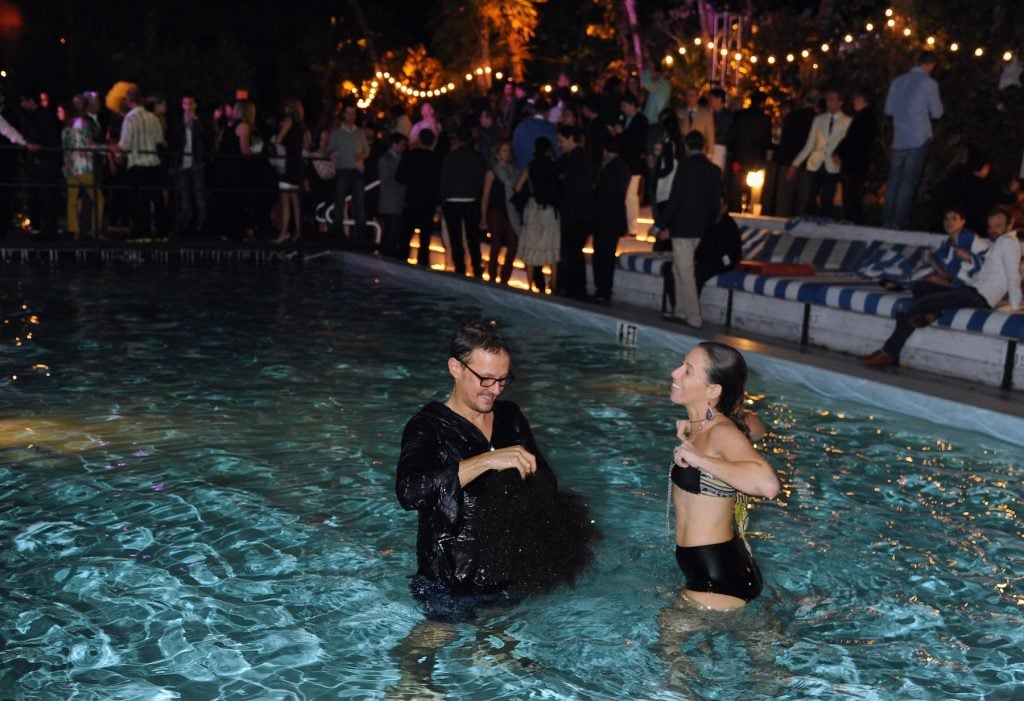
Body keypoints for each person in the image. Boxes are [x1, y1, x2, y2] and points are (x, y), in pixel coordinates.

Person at [395, 321, 598, 620]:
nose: (495, 390)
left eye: (503, 380)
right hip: (451, 574)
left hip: (507, 568)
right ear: (456, 368)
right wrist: (486, 461)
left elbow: (546, 481)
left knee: (497, 636)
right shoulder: (428, 427)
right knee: (429, 643)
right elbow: (409, 492)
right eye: (486, 379)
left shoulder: (510, 417)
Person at [666, 342, 780, 610]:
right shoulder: (715, 425)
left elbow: (768, 485)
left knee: (666, 645)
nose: (675, 373)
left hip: (717, 577)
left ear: (713, 390)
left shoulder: (720, 432)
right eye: (681, 364)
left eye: (688, 371)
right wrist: (697, 427)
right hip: (713, 563)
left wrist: (700, 459)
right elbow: (756, 426)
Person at [861, 208, 1022, 367]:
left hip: (977, 296)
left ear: (1009, 225)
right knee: (921, 287)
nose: (993, 229)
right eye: (991, 226)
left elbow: (1013, 275)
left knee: (918, 304)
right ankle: (933, 312)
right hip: (969, 290)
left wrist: (1015, 306)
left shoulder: (1008, 243)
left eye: (998, 225)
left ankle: (889, 353)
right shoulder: (1000, 243)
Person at [653, 130, 722, 329]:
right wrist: (708, 224)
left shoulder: (685, 167)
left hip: (683, 227)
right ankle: (680, 310)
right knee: (678, 268)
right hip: (700, 228)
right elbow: (715, 203)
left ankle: (693, 316)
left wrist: (661, 223)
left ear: (687, 146)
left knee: (685, 270)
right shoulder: (714, 170)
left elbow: (676, 198)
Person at [882, 52, 943, 230]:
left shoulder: (898, 81)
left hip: (899, 138)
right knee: (908, 182)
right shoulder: (929, 83)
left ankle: (887, 220)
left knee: (894, 180)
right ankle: (899, 222)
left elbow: (888, 110)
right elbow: (937, 112)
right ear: (931, 65)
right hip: (918, 137)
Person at [789, 87, 851, 218]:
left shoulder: (847, 121)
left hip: (832, 164)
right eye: (827, 100)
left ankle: (824, 221)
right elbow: (810, 144)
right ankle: (812, 219)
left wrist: (841, 156)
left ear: (840, 102)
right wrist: (795, 164)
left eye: (832, 100)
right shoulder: (819, 119)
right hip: (815, 162)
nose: (829, 102)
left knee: (827, 197)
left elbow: (848, 143)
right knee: (809, 195)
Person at [113, 86, 165, 238]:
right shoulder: (153, 117)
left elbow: (125, 144)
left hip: (137, 165)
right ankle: (162, 230)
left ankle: (142, 232)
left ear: (129, 102)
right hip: (153, 163)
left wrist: (114, 149)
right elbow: (159, 140)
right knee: (156, 199)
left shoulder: (129, 118)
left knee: (138, 202)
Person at [438, 126, 487, 277]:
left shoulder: (451, 156)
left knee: (455, 236)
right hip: (470, 199)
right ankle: (476, 266)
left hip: (452, 199)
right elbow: (481, 179)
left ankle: (460, 266)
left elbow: (443, 180)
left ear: (458, 139)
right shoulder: (477, 156)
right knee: (473, 236)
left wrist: (441, 200)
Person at [514, 137, 561, 293]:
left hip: (533, 207)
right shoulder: (554, 167)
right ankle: (553, 286)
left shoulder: (531, 166)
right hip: (549, 210)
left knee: (531, 247)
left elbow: (518, 187)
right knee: (552, 249)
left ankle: (529, 286)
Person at [556, 125, 593, 299]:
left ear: (571, 138)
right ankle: (575, 288)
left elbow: (575, 190)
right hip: (578, 214)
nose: (559, 144)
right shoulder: (576, 157)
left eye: (562, 140)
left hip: (576, 215)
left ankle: (575, 289)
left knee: (573, 252)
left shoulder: (577, 159)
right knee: (574, 252)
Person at [591, 136, 630, 304]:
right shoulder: (623, 167)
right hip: (614, 218)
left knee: (602, 256)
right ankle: (604, 291)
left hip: (605, 218)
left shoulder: (610, 169)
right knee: (606, 256)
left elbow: (606, 195)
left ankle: (602, 291)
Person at [832, 87, 879, 225]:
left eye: (856, 98)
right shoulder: (867, 116)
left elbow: (852, 138)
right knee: (851, 197)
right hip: (857, 162)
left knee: (851, 198)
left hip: (855, 163)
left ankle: (854, 225)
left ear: (863, 100)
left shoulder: (864, 117)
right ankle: (853, 223)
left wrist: (839, 151)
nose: (853, 101)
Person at [396, 128, 442, 266]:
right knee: (425, 238)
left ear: (419, 140)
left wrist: (411, 181)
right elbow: (439, 182)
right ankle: (423, 264)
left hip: (411, 199)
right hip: (428, 202)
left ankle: (401, 262)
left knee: (406, 236)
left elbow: (399, 176)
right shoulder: (436, 159)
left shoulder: (410, 156)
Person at [325, 103, 369, 246]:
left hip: (357, 170)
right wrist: (333, 154)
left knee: (359, 203)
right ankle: (338, 232)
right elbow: (329, 150)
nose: (351, 116)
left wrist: (362, 155)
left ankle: (360, 234)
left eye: (353, 114)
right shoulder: (337, 132)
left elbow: (367, 150)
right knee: (340, 202)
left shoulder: (360, 133)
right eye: (349, 113)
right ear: (344, 115)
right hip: (343, 169)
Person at [166, 93, 210, 236]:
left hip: (197, 162)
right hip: (182, 162)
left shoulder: (201, 120)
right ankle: (187, 222)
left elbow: (208, 138)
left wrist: (196, 122)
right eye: (185, 103)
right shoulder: (177, 121)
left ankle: (201, 222)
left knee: (199, 194)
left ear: (195, 105)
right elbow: (173, 141)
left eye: (190, 103)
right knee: (184, 195)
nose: (188, 107)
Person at [61, 94, 103, 239]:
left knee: (72, 199)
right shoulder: (83, 124)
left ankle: (74, 229)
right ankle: (94, 229)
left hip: (70, 167)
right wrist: (108, 148)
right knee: (98, 198)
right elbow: (88, 145)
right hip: (84, 166)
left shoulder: (66, 126)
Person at [479, 141, 521, 284]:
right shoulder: (492, 172)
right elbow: (485, 196)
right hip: (495, 211)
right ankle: (491, 277)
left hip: (509, 212)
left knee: (513, 244)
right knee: (496, 244)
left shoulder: (513, 171)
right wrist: (483, 217)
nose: (507, 153)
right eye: (504, 150)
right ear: (497, 154)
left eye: (508, 150)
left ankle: (504, 278)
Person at [273, 97, 310, 243]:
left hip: (288, 163)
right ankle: (298, 232)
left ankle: (284, 232)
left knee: (285, 200)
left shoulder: (288, 121)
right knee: (295, 200)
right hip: (297, 163)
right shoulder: (302, 125)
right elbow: (307, 146)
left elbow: (278, 140)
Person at [728, 90, 773, 212]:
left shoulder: (739, 115)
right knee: (754, 190)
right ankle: (750, 210)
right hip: (755, 159)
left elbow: (732, 135)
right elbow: (767, 141)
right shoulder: (765, 119)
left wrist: (733, 152)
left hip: (739, 157)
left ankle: (735, 212)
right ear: (762, 103)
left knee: (736, 188)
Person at [613, 92, 648, 237]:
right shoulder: (627, 119)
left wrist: (622, 134)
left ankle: (632, 228)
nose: (623, 109)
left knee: (631, 196)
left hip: (634, 163)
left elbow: (635, 142)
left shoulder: (640, 120)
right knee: (625, 195)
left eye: (625, 106)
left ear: (633, 105)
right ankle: (626, 225)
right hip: (625, 162)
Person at [377, 132, 407, 259]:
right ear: (394, 145)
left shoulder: (398, 158)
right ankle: (386, 256)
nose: (404, 148)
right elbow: (387, 181)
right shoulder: (385, 160)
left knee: (392, 231)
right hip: (390, 201)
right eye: (402, 145)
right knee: (391, 231)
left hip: (395, 201)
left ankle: (387, 255)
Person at [511, 97, 559, 172]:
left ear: (533, 111)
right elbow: (557, 151)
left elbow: (514, 147)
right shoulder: (551, 128)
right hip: (543, 172)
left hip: (522, 169)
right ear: (548, 112)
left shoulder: (521, 126)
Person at [677, 87, 715, 160]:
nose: (688, 98)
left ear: (697, 97)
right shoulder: (679, 112)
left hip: (699, 151)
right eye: (687, 96)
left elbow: (710, 134)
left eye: (691, 96)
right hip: (683, 151)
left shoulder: (706, 114)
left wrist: (710, 153)